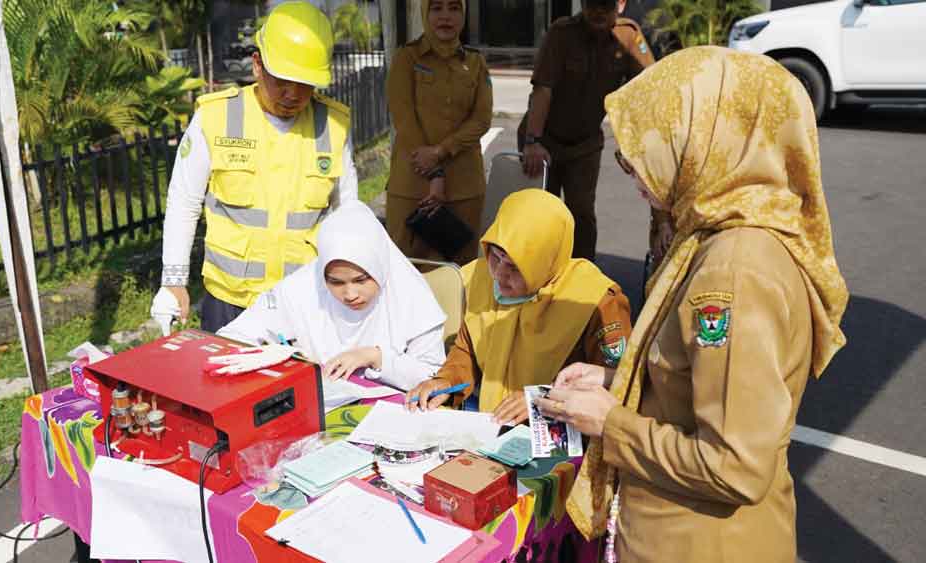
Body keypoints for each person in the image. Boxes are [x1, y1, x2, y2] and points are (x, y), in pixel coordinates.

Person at [535, 47, 850, 562]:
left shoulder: (734, 271)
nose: (633, 168)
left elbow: (733, 465)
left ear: (707, 140)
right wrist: (617, 382)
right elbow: (698, 386)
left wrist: (608, 421)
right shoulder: (718, 235)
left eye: (648, 145)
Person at [151, 1, 357, 333]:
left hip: (305, 301)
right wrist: (173, 280)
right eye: (283, 81)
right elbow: (184, 201)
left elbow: (347, 212)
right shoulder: (216, 117)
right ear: (258, 65)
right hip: (230, 302)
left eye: (305, 84)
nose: (293, 94)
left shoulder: (333, 125)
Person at [404, 189, 632, 424]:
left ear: (546, 261)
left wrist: (544, 398)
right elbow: (468, 348)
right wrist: (445, 381)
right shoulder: (479, 277)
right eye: (496, 256)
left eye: (515, 267)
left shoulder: (595, 301)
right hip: (491, 425)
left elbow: (617, 385)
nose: (500, 275)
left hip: (561, 433)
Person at [218, 202, 446, 391]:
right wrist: (273, 356)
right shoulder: (302, 287)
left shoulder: (410, 295)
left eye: (361, 280)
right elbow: (231, 337)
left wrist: (375, 357)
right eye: (335, 282)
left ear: (381, 267)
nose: (350, 294)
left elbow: (435, 378)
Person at [518, 0, 654, 263]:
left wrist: (637, 145)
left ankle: (582, 278)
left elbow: (647, 90)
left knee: (581, 215)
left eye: (606, 4)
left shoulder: (628, 35)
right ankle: (534, 275)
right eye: (591, 3)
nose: (598, 11)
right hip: (543, 139)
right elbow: (543, 90)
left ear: (621, 5)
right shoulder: (561, 33)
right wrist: (532, 142)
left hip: (585, 144)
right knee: (539, 212)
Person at [385, 0, 493, 265]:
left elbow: (481, 119)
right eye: (436, 8)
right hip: (412, 186)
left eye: (454, 8)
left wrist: (440, 152)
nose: (446, 16)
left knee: (459, 273)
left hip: (464, 188)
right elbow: (404, 119)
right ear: (425, 13)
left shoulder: (476, 62)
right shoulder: (406, 58)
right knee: (406, 270)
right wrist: (434, 174)